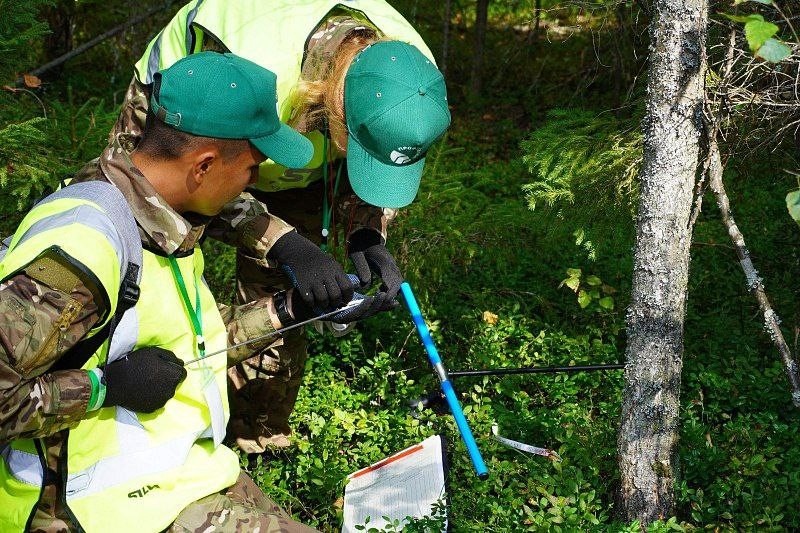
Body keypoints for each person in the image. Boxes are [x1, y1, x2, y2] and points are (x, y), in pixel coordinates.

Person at [0, 52, 331, 532]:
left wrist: (289, 309)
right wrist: (101, 389)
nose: (255, 184)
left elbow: (185, 345)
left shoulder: (163, 221)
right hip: (97, 510)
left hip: (183, 476)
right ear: (204, 164)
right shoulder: (85, 244)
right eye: (253, 167)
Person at [114, 0, 452, 452]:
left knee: (287, 293)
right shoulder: (247, 66)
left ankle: (256, 435)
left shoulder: (412, 79)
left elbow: (382, 147)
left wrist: (367, 228)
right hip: (181, 117)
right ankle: (135, 414)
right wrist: (282, 240)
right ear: (335, 111)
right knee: (156, 272)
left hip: (291, 126)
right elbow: (206, 178)